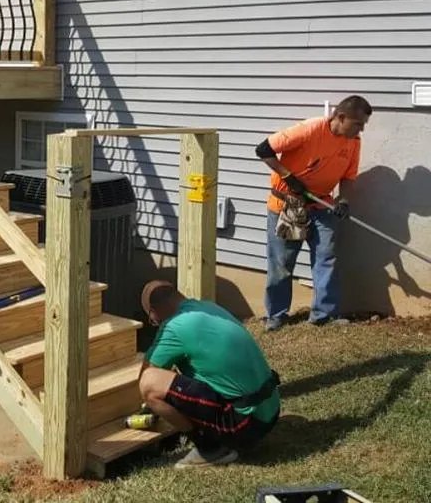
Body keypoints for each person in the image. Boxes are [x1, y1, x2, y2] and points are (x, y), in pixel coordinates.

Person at [255, 95, 372, 330]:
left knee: (326, 259)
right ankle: (276, 316)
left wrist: (344, 200)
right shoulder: (309, 130)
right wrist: (289, 177)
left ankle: (324, 315)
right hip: (288, 206)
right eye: (358, 124)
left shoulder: (353, 142)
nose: (361, 129)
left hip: (322, 206)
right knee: (282, 263)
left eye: (363, 125)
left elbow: (348, 177)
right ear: (341, 117)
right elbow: (263, 149)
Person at [137, 280, 280, 469]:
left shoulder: (173, 327)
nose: (154, 323)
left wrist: (151, 406)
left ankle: (210, 449)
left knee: (150, 383)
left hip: (245, 425)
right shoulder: (208, 307)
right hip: (269, 410)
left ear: (154, 311)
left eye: (152, 319)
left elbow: (147, 373)